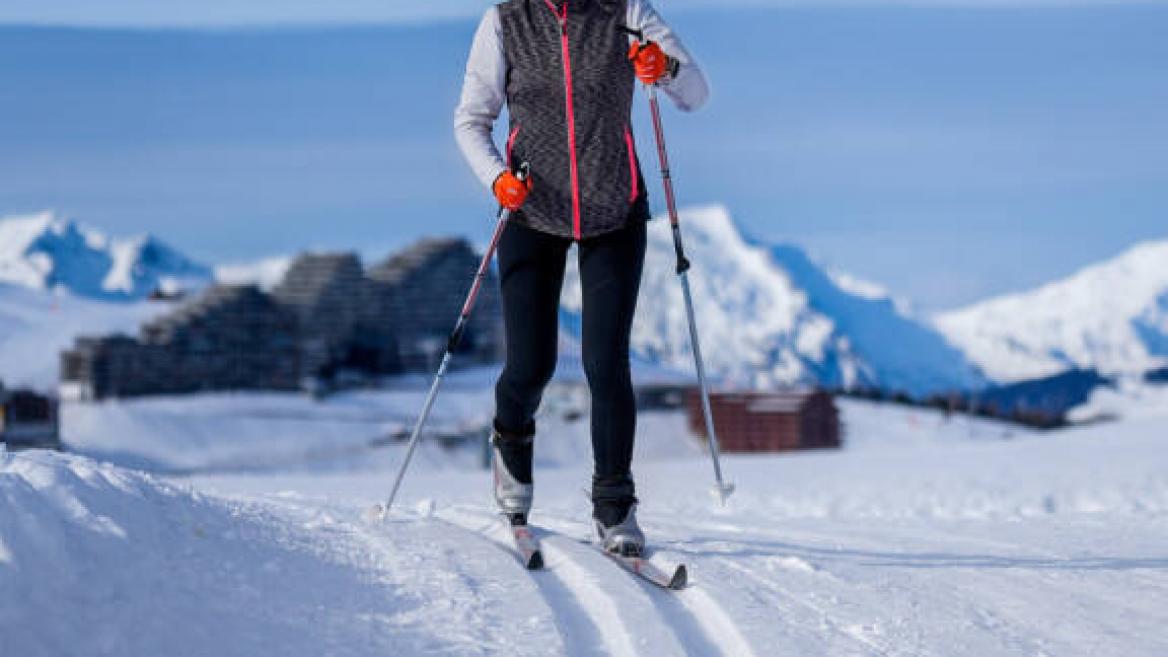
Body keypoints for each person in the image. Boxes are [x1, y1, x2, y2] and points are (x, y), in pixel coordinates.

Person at [454, 0, 708, 556]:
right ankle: (512, 461)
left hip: (613, 210)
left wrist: (662, 69)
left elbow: (694, 92)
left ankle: (615, 507)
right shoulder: (506, 20)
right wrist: (497, 179)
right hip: (530, 212)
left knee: (605, 364)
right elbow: (471, 120)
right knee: (529, 366)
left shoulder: (628, 10)